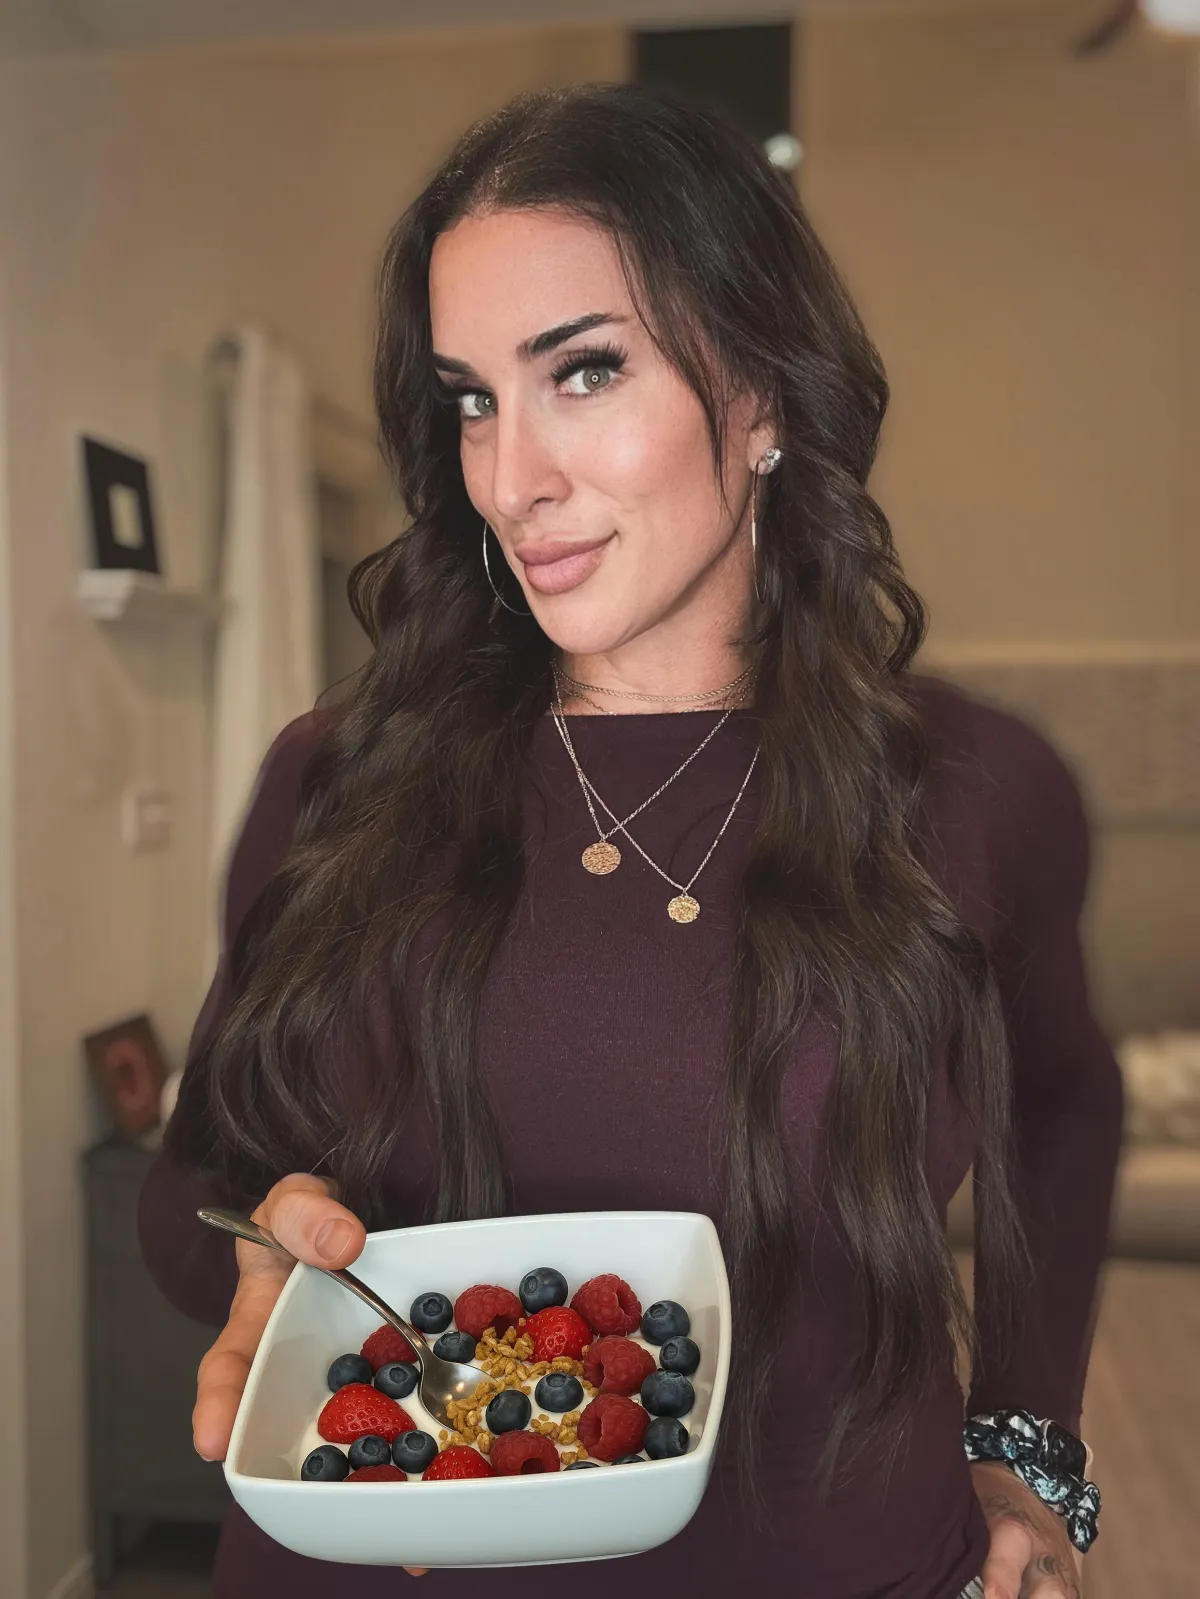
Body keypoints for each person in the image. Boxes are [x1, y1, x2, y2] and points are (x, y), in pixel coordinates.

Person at [139, 83, 1123, 1599]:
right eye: (473, 398)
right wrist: (257, 1246)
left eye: (583, 371)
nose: (509, 479)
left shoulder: (979, 790)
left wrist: (1027, 1442)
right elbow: (193, 1183)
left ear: (765, 392)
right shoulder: (336, 780)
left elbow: (1060, 1105)